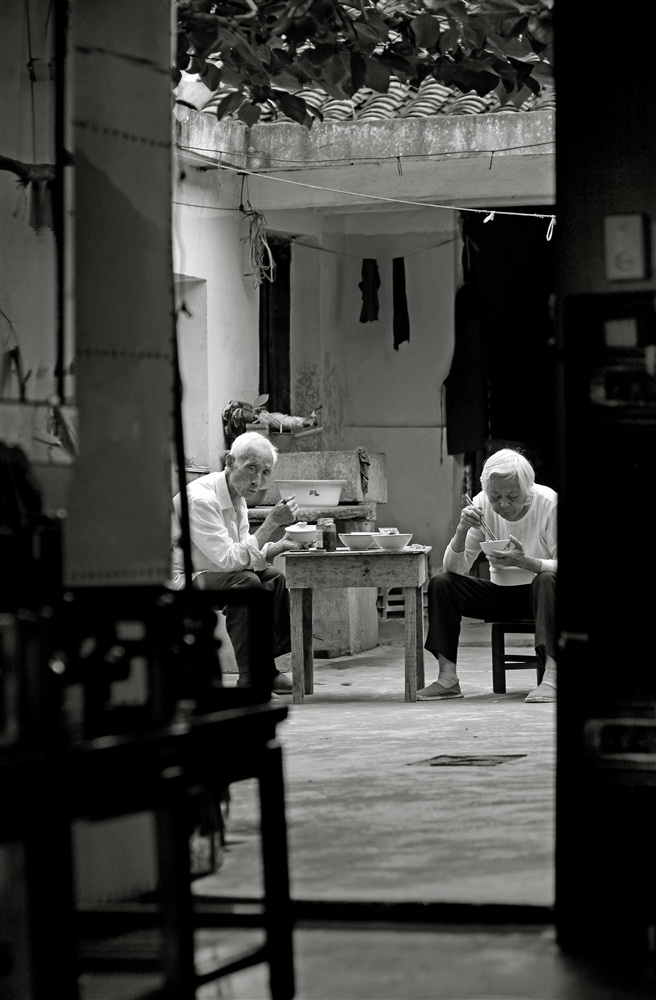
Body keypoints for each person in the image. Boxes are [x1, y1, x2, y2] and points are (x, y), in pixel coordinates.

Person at [170, 431, 306, 694]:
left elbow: (242, 553)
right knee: (246, 583)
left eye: (265, 472)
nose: (257, 480)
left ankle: (267, 670)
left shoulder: (238, 499)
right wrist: (271, 523)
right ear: (230, 462)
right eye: (251, 468)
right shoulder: (202, 499)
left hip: (215, 572)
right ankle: (250, 678)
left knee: (273, 578)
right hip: (181, 578)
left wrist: (277, 547)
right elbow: (230, 560)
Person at [419, 448, 557, 703]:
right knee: (442, 583)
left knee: (547, 580)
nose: (503, 504)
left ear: (528, 489)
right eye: (496, 496)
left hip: (543, 597)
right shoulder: (481, 504)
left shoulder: (549, 503)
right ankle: (447, 678)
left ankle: (552, 678)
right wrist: (462, 529)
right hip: (501, 595)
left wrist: (527, 562)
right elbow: (455, 568)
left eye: (512, 496)